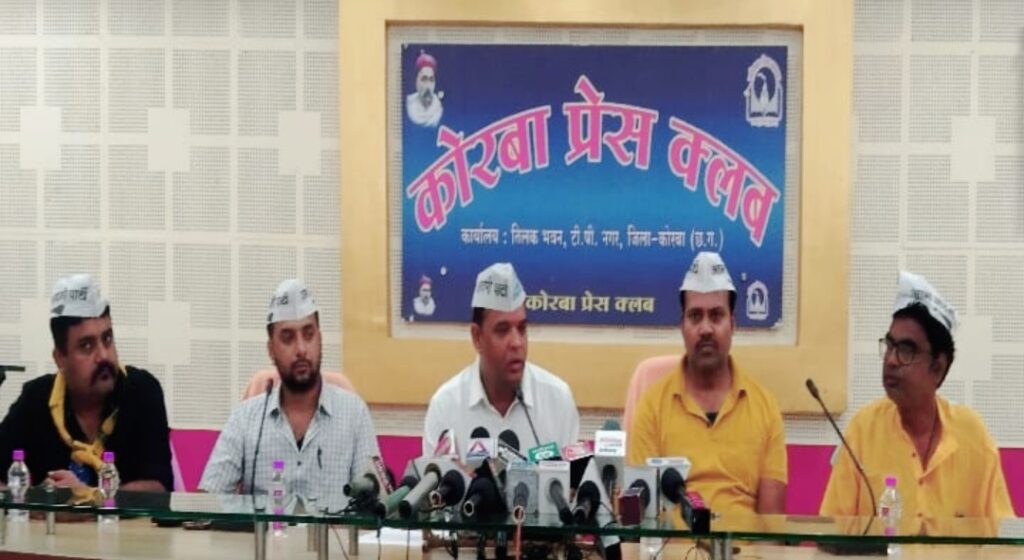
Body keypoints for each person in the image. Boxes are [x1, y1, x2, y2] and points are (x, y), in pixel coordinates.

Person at [820, 271, 1014, 521]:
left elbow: (1003, 535)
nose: (891, 360)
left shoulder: (973, 435)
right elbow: (831, 530)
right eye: (889, 346)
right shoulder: (863, 430)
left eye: (906, 350)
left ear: (937, 368)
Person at [628, 252, 787, 515]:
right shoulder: (652, 406)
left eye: (716, 316)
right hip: (673, 542)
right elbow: (642, 517)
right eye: (695, 316)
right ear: (682, 326)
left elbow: (772, 525)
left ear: (732, 324)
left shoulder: (765, 407)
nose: (705, 329)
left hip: (744, 542)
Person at [199, 279, 380, 509]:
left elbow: (373, 501)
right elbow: (206, 500)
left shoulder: (354, 413)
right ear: (271, 350)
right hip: (266, 534)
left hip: (333, 534)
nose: (301, 349)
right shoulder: (245, 418)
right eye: (287, 338)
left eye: (309, 334)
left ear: (320, 339)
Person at [0, 274, 172, 492]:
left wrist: (86, 498)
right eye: (87, 346)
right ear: (60, 358)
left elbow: (158, 488)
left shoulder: (142, 390)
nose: (103, 356)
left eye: (107, 339)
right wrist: (38, 498)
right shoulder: (36, 397)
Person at [423, 263, 579, 456]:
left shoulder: (558, 399)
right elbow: (432, 475)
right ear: (477, 337)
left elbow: (573, 476)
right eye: (502, 330)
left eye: (522, 329)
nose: (517, 342)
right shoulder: (446, 406)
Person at [406, 50, 443, 127]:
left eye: (431, 80)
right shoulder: (408, 105)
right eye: (424, 79)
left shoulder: (439, 109)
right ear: (416, 81)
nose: (428, 86)